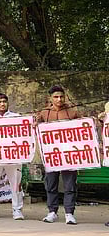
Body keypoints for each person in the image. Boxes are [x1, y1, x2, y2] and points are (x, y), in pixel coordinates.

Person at [36, 86, 80, 225]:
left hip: (69, 154)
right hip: (51, 155)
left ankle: (69, 213)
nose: (59, 99)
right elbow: (37, 128)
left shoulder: (73, 112)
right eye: (56, 97)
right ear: (50, 98)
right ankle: (52, 212)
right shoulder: (44, 113)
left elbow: (84, 128)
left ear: (65, 97)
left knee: (70, 185)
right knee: (51, 184)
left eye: (61, 96)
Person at [0, 93, 24, 220]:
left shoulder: (17, 117)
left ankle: (17, 210)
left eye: (4, 101)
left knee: (16, 183)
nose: (2, 104)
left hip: (13, 155)